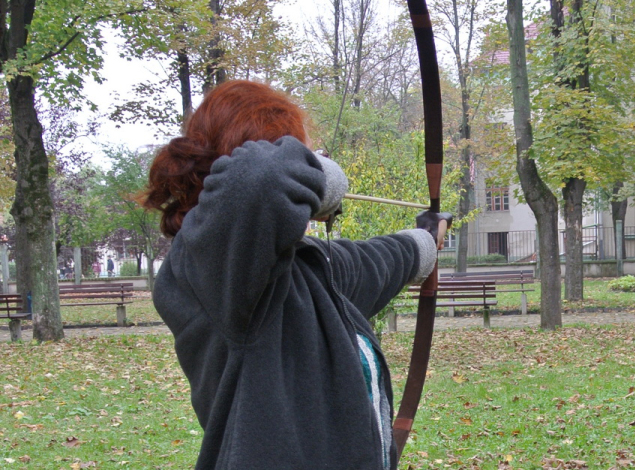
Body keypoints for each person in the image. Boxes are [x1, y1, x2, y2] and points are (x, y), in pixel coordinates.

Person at [139, 80, 450, 470]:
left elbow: (373, 262)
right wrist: (326, 180)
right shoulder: (211, 264)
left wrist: (424, 241)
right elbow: (263, 176)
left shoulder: (304, 267)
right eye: (297, 152)